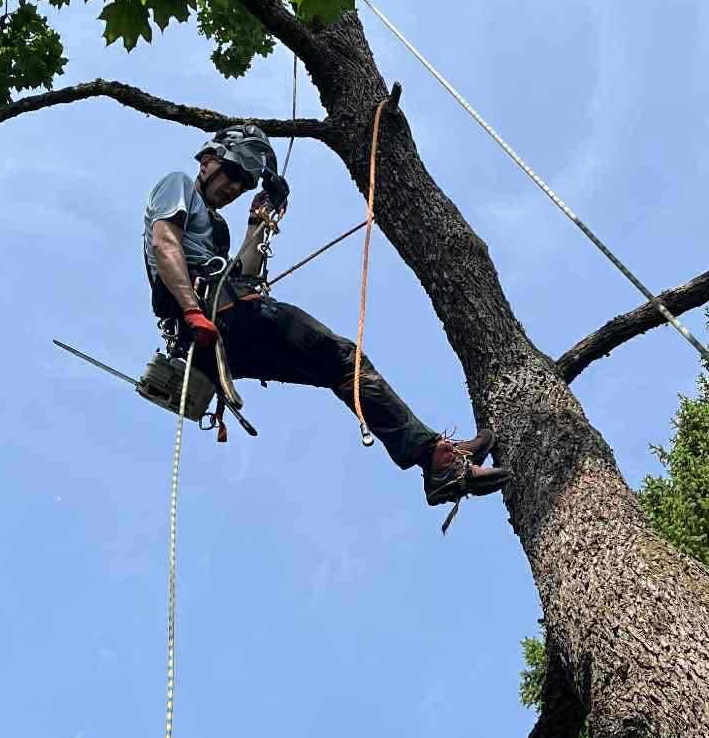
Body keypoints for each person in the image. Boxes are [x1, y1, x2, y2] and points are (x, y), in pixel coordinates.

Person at [142, 124, 508, 515]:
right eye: (232, 173)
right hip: (217, 320)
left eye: (244, 183)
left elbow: (244, 274)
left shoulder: (217, 229)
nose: (234, 187)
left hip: (226, 331)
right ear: (207, 160)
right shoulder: (178, 184)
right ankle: (434, 458)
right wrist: (193, 311)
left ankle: (435, 461)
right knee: (343, 359)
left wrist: (259, 218)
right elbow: (165, 244)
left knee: (341, 368)